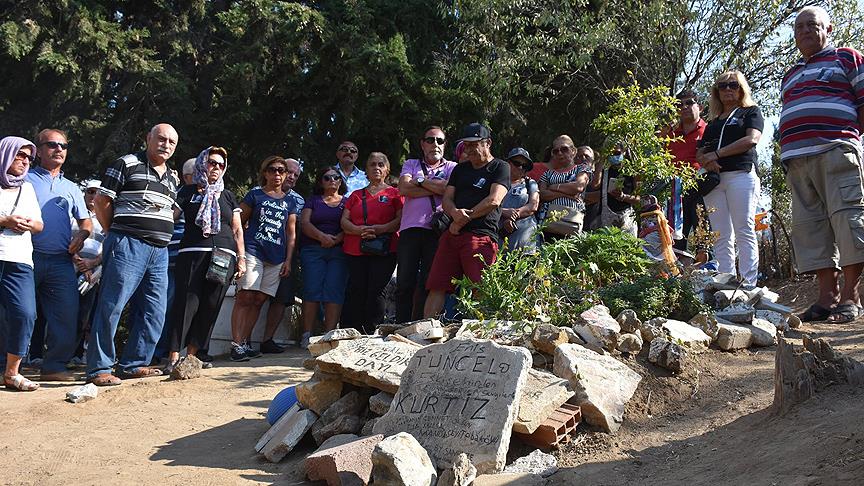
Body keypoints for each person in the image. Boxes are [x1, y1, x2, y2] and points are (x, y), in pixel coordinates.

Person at [780, 6, 864, 323]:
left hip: (835, 151)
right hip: (797, 160)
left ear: (828, 29)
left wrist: (847, 137)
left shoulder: (846, 57)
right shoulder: (790, 74)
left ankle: (851, 296)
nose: (804, 30)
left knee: (848, 218)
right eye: (799, 26)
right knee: (810, 227)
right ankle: (826, 297)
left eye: (812, 24)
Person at [87, 123, 179, 386]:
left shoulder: (172, 177)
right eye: (161, 139)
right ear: (148, 138)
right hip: (128, 244)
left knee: (155, 310)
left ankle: (134, 364)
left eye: (172, 142)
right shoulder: (126, 163)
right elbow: (102, 201)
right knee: (112, 305)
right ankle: (99, 368)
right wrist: (114, 231)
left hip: (159, 251)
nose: (166, 145)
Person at [165, 147, 244, 371]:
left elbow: (237, 230)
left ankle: (192, 356)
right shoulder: (188, 191)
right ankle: (173, 356)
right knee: (186, 303)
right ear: (202, 164)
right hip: (192, 252)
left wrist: (242, 258)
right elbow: (170, 218)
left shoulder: (227, 195)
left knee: (211, 304)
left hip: (223, 255)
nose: (216, 167)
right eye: (212, 163)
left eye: (221, 164)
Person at [25, 129, 93, 382]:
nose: (59, 150)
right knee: (17, 312)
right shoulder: (24, 179)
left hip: (61, 261)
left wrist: (82, 236)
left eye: (63, 146)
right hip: (26, 257)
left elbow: (86, 222)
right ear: (39, 151)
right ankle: (5, 366)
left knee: (66, 314)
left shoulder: (72, 187)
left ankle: (54, 366)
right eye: (52, 144)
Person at [424, 123, 509, 317]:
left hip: (481, 236)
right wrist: (454, 213)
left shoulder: (500, 167)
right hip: (452, 235)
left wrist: (462, 219)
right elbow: (447, 198)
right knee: (437, 285)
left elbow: (494, 200)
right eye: (466, 145)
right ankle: (425, 328)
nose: (468, 149)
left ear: (488, 143)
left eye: (474, 144)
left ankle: (483, 330)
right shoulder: (460, 169)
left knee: (481, 287)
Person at [695, 70, 763, 287]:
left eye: (733, 85)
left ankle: (748, 283)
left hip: (740, 175)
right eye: (722, 86)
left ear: (741, 89)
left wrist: (716, 155)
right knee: (720, 234)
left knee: (744, 229)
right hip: (714, 181)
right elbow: (700, 152)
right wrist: (707, 161)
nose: (727, 89)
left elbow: (751, 139)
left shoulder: (750, 112)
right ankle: (726, 281)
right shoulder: (713, 123)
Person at [230, 156, 296, 361]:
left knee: (259, 300)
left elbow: (291, 233)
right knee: (245, 297)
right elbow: (238, 222)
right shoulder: (255, 195)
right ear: (265, 173)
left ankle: (244, 342)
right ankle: (236, 345)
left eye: (281, 170)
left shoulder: (290, 201)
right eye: (272, 169)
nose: (277, 174)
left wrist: (288, 260)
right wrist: (240, 253)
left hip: (276, 257)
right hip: (253, 251)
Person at [395, 126, 457, 322]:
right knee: (404, 281)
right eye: (430, 140)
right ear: (422, 144)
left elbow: (449, 189)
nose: (435, 144)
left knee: (429, 281)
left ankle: (421, 325)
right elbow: (403, 188)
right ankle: (401, 324)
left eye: (440, 141)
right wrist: (435, 187)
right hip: (410, 229)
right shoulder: (411, 163)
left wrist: (420, 180)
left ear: (444, 145)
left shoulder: (452, 167)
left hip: (436, 231)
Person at [341, 152, 403, 332]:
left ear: (387, 169)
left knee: (377, 289)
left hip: (385, 248)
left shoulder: (395, 194)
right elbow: (344, 221)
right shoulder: (356, 195)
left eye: (380, 164)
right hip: (355, 248)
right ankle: (350, 330)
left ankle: (371, 330)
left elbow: (400, 219)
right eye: (372, 164)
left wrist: (380, 229)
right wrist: (359, 230)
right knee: (356, 289)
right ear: (366, 170)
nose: (376, 167)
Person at [0, 137, 43, 391]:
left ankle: (12, 372)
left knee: (25, 313)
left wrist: (28, 224)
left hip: (19, 258)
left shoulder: (27, 188)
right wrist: (5, 221)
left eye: (29, 157)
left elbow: (39, 224)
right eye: (20, 155)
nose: (26, 161)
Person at [299, 167, 348, 346]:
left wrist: (337, 239)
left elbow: (351, 223)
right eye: (327, 178)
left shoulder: (347, 202)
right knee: (311, 289)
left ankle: (329, 335)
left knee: (334, 291)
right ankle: (307, 334)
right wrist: (322, 237)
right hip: (313, 249)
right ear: (321, 181)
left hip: (339, 250)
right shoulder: (313, 200)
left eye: (336, 177)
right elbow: (304, 223)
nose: (332, 180)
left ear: (341, 181)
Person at [262, 158, 304, 353]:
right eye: (290, 172)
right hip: (259, 250)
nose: (292, 177)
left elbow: (296, 231)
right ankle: (242, 341)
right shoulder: (258, 193)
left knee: (282, 298)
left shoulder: (299, 200)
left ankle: (267, 340)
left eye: (296, 175)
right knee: (254, 297)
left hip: (287, 254)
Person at [70, 180, 105, 365]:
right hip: (70, 268)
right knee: (66, 313)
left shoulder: (106, 218)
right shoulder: (74, 214)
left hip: (93, 273)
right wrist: (78, 260)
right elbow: (65, 239)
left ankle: (77, 354)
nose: (93, 196)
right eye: (90, 191)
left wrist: (92, 264)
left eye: (97, 192)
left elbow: (107, 246)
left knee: (85, 316)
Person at [668, 90, 707, 250]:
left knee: (704, 243)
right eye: (679, 104)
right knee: (675, 244)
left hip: (702, 192)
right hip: (675, 196)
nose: (684, 107)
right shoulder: (669, 134)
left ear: (700, 107)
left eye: (689, 103)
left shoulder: (709, 130)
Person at [538, 137, 593, 238]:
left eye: (564, 149)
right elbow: (542, 194)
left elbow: (578, 186)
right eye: (555, 151)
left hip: (572, 223)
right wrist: (567, 194)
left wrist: (554, 186)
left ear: (573, 151)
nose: (559, 153)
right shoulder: (547, 174)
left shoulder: (582, 169)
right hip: (549, 224)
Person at [584, 144, 639, 234]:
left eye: (617, 153)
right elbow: (595, 185)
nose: (613, 156)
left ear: (624, 152)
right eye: (610, 153)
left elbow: (639, 199)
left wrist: (623, 197)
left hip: (626, 218)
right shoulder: (605, 169)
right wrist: (602, 160)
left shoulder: (632, 172)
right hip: (605, 218)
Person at [500, 148, 539, 251]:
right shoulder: (496, 183)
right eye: (517, 163)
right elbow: (488, 203)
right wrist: (503, 212)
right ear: (508, 163)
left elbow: (533, 206)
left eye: (524, 166)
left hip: (525, 242)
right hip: (498, 239)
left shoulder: (531, 184)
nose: (521, 168)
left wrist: (513, 215)